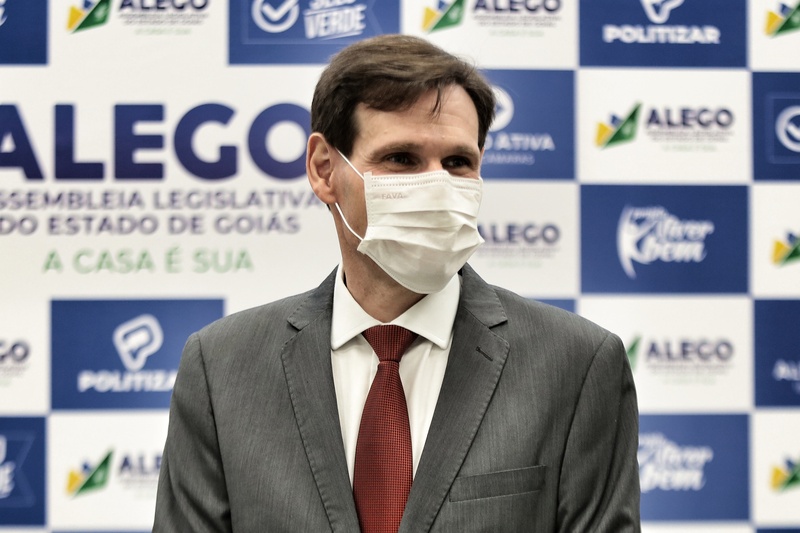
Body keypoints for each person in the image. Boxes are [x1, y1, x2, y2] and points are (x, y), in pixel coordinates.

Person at [153, 34, 640, 532]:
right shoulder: (222, 367)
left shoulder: (577, 365)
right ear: (324, 170)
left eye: (458, 163)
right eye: (402, 159)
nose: (437, 186)